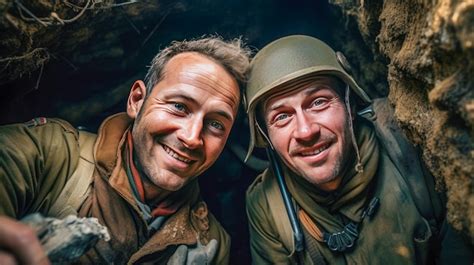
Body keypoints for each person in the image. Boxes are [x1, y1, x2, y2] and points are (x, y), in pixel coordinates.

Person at [0, 36, 251, 264]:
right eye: (179, 106)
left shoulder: (212, 246)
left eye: (216, 124)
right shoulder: (49, 152)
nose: (192, 137)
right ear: (136, 100)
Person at [244, 35, 473, 264]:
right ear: (266, 138)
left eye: (318, 102)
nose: (305, 131)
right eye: (282, 117)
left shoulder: (405, 139)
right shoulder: (266, 206)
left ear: (350, 105)